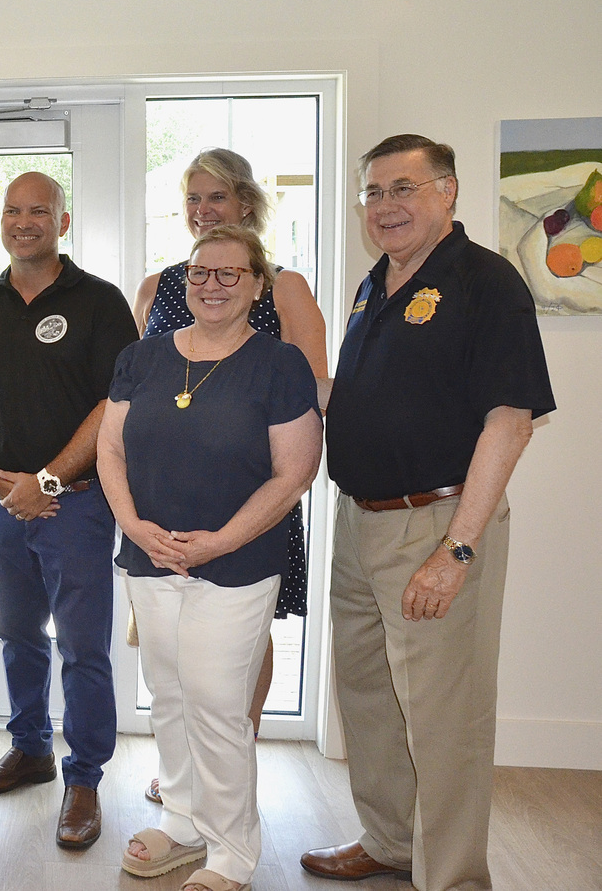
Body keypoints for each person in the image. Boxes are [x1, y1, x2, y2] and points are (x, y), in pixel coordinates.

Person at [301, 135, 554, 891]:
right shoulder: (373, 284)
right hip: (357, 520)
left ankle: (451, 878)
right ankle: (389, 842)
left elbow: (509, 421)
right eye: (373, 193)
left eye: (404, 188)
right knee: (369, 698)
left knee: (446, 722)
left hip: (436, 524)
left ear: (447, 191)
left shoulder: (486, 281)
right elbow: (362, 397)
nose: (386, 206)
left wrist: (458, 550)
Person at [99, 226, 323, 891]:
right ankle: (183, 822)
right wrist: (135, 526)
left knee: (218, 703)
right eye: (201, 273)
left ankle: (231, 852)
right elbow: (110, 450)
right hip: (150, 557)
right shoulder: (141, 358)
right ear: (184, 280)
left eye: (231, 274)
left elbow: (296, 472)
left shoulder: (279, 365)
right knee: (167, 695)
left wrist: (221, 540)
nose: (214, 285)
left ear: (257, 285)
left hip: (238, 564)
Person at [133, 147, 328, 804]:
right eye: (192, 198)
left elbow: (315, 389)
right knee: (173, 647)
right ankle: (183, 767)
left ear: (246, 203)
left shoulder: (285, 285)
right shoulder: (160, 286)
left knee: (243, 634)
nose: (202, 210)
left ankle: (230, 760)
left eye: (215, 197)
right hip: (164, 499)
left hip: (254, 496)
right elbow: (131, 394)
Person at [0, 171, 137, 849]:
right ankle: (28, 750)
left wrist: (49, 483)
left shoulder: (99, 302)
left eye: (39, 211)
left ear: (62, 223)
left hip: (78, 507)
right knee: (19, 636)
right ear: (0, 221)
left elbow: (114, 404)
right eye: (12, 211)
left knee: (84, 648)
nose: (23, 221)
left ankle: (83, 775)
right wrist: (0, 487)